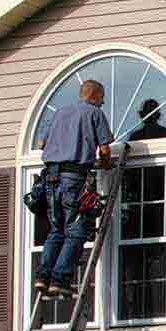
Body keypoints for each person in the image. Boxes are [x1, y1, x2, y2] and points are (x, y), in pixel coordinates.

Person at [35, 79, 113, 297]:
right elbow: (105, 149)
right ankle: (60, 279)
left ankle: (43, 276)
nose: (104, 101)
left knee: (56, 229)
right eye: (102, 97)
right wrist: (106, 167)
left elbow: (42, 144)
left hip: (51, 177)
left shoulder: (59, 113)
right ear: (95, 95)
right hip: (73, 177)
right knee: (77, 231)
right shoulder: (94, 113)